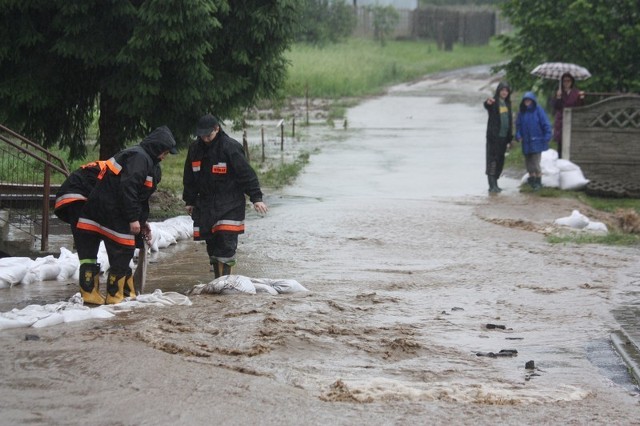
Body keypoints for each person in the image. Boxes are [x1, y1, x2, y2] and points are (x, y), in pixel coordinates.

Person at [75, 126, 177, 305]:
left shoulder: (142, 158)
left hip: (101, 209)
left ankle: (102, 295)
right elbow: (129, 189)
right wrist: (133, 219)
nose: (164, 157)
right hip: (111, 212)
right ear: (157, 147)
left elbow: (140, 197)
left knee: (112, 252)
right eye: (165, 152)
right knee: (123, 250)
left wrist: (141, 221)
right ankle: (115, 297)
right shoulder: (140, 158)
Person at [183, 114, 268, 278]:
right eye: (202, 136)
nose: (206, 139)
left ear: (217, 129)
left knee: (226, 242)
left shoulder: (230, 147)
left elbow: (247, 174)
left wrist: (256, 198)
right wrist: (190, 200)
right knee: (212, 243)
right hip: (206, 204)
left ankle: (226, 281)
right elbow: (189, 177)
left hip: (230, 203)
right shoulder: (195, 149)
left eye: (209, 135)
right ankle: (218, 279)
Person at [516, 92, 552, 191]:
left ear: (532, 101)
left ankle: (538, 182)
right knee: (528, 163)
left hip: (537, 140)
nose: (527, 102)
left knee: (535, 162)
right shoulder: (521, 112)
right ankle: (532, 180)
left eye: (529, 100)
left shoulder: (538, 110)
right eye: (525, 100)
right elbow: (518, 126)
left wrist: (547, 135)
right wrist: (518, 135)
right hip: (526, 142)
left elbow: (545, 123)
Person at [483, 81, 513, 193]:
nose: (504, 92)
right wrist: (488, 102)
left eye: (506, 90)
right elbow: (487, 105)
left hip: (503, 138)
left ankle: (496, 184)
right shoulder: (494, 102)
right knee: (492, 161)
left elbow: (509, 122)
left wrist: (510, 138)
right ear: (498, 91)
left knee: (500, 161)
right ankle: (492, 186)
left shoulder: (507, 104)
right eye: (502, 90)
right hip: (493, 138)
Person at [553, 72, 585, 158]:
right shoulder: (559, 92)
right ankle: (560, 162)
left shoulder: (576, 93)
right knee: (561, 144)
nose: (566, 83)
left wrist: (581, 98)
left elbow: (580, 107)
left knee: (571, 143)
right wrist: (558, 97)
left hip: (572, 121)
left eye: (568, 81)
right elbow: (556, 107)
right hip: (561, 122)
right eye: (564, 81)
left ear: (572, 82)